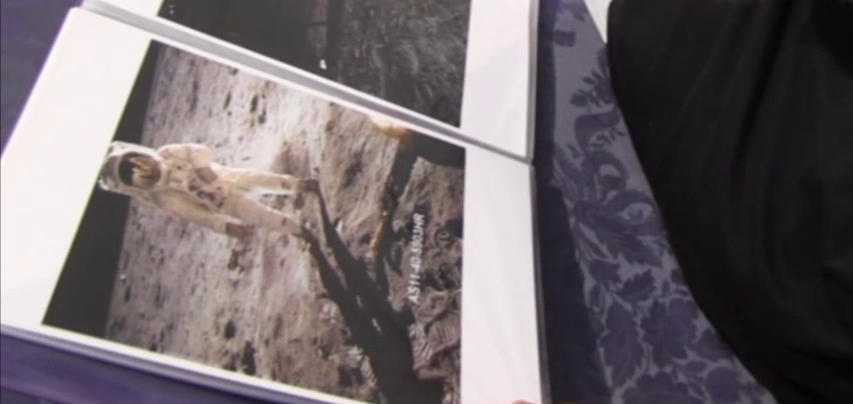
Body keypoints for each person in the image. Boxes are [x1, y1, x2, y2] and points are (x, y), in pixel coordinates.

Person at [97, 141, 319, 241]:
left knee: (264, 180)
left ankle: (299, 185)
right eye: (141, 177)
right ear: (134, 187)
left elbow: (197, 149)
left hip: (227, 177)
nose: (150, 170)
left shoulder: (168, 153)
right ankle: (299, 231)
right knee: (263, 216)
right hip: (225, 204)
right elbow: (197, 215)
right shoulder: (164, 197)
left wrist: (202, 168)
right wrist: (226, 227)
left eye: (143, 162)